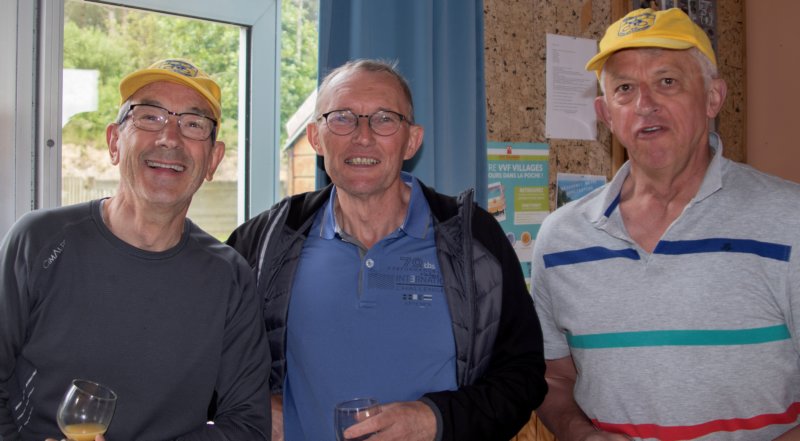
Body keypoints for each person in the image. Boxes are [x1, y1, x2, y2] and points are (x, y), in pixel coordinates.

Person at [226, 58, 547, 441]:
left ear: (412, 140)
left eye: (384, 119)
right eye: (342, 118)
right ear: (315, 138)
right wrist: (250, 405)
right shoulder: (267, 241)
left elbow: (524, 375)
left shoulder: (473, 240)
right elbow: (203, 356)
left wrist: (434, 420)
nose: (363, 137)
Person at [531, 7, 800, 441]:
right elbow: (554, 378)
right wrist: (580, 434)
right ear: (605, 113)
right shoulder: (560, 239)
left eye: (667, 81)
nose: (645, 104)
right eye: (624, 88)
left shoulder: (789, 220)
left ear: (713, 97)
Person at [0, 59, 271, 441]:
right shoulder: (39, 241)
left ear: (213, 159)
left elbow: (248, 425)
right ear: (114, 141)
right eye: (150, 117)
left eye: (193, 124)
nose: (170, 138)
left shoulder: (230, 277)